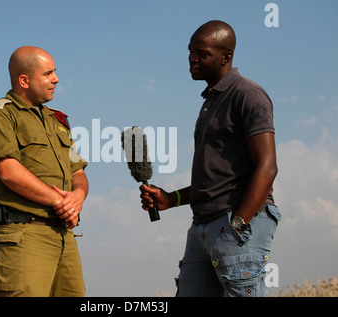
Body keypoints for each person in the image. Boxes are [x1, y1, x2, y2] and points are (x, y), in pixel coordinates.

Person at [140, 20, 281, 297]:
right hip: (203, 227)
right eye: (190, 51)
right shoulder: (211, 101)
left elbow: (267, 167)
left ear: (225, 57)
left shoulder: (247, 95)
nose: (192, 59)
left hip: (236, 222)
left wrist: (237, 224)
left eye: (201, 53)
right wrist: (172, 199)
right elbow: (217, 180)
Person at [0, 46, 89, 297]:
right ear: (24, 80)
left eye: (54, 72)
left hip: (64, 236)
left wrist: (77, 196)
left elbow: (77, 171)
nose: (56, 79)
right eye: (48, 73)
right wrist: (62, 202)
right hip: (22, 237)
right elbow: (9, 172)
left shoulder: (56, 121)